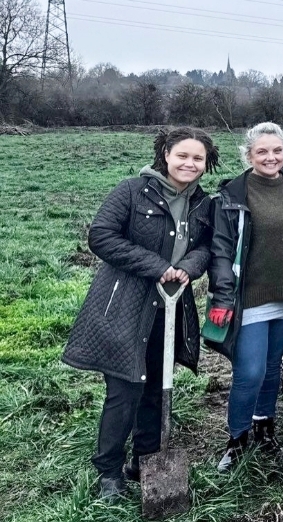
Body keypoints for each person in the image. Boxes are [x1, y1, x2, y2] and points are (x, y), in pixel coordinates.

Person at [63, 128, 220, 500]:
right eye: (183, 155)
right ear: (166, 153)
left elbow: (208, 246)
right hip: (125, 306)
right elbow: (101, 235)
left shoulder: (203, 203)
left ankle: (146, 460)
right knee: (125, 390)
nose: (190, 164)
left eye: (198, 158)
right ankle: (109, 471)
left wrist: (190, 267)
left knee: (156, 388)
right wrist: (156, 265)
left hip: (169, 309)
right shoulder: (132, 190)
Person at [205, 122, 283, 471]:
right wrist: (222, 296)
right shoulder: (234, 194)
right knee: (249, 371)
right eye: (262, 152)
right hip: (250, 296)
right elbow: (221, 250)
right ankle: (237, 440)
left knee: (271, 369)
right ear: (249, 155)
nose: (271, 158)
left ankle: (265, 430)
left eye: (277, 151)